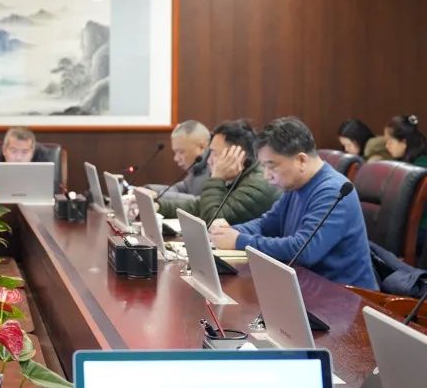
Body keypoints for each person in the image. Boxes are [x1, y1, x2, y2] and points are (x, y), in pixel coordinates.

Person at [210, 117, 376, 289]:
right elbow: (266, 224)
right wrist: (228, 232)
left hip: (345, 296)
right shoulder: (296, 185)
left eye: (271, 166)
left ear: (301, 160)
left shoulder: (333, 190)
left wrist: (238, 240)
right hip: (307, 286)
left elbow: (304, 250)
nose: (266, 176)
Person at [157, 120, 279, 225]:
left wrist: (217, 178)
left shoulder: (258, 185)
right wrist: (159, 206)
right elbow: (200, 206)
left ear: (237, 155)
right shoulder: (240, 176)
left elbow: (213, 220)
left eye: (215, 153)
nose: (209, 160)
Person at [146, 120, 211, 204]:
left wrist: (157, 195)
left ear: (201, 147)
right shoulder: (197, 168)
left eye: (181, 152)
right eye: (175, 152)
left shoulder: (217, 169)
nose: (176, 158)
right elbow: (180, 189)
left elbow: (202, 203)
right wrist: (149, 189)